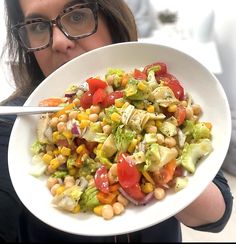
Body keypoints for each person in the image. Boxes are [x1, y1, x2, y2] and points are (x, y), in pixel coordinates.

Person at [0, 0, 233, 242]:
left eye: (77, 16)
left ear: (112, 17)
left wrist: (162, 170)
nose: (59, 41)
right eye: (37, 26)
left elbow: (217, 215)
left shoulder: (156, 89)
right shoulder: (11, 130)